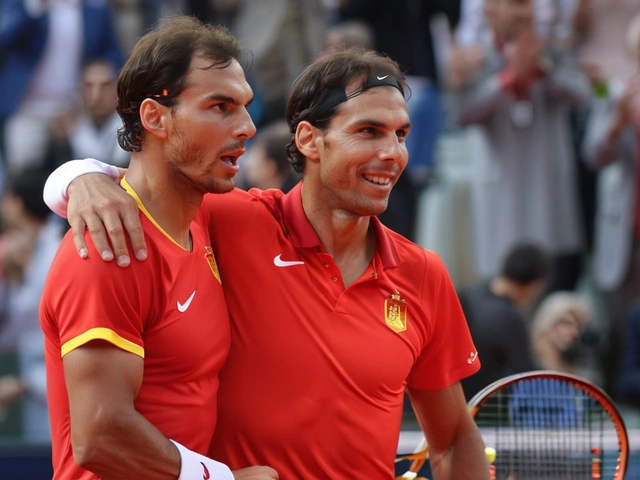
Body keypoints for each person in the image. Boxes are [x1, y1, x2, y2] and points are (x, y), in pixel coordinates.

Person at [44, 48, 490, 478]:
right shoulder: (230, 219)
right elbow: (152, 180)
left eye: (401, 134)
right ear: (309, 140)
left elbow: (452, 438)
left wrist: (78, 177)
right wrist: (79, 177)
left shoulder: (423, 273)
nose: (393, 153)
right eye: (369, 132)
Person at [39, 16, 277, 480]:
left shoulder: (204, 216)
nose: (247, 126)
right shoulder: (108, 248)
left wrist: (75, 174)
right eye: (220, 106)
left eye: (245, 106)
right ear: (154, 117)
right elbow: (100, 436)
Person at [454, 0, 591, 289]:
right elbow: (462, 112)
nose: (521, 13)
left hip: (547, 181)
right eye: (512, 4)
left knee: (555, 273)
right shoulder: (478, 57)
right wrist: (507, 80)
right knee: (503, 275)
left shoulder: (554, 49)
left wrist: (545, 71)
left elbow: (583, 97)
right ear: (491, 11)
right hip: (501, 183)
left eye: (525, 4)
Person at [0, 0, 123, 174]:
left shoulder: (95, 8)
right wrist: (34, 7)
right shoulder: (22, 5)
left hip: (73, 107)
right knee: (22, 172)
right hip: (27, 107)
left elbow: (111, 56)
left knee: (84, 169)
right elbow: (5, 38)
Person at [458, 242, 550, 400]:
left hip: (444, 400)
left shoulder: (465, 294)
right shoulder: (510, 318)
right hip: (481, 409)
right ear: (535, 286)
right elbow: (528, 375)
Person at [46, 58, 130, 169]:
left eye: (105, 86)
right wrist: (61, 144)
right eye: (88, 86)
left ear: (118, 88)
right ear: (79, 90)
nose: (97, 96)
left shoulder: (134, 128)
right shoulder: (65, 128)